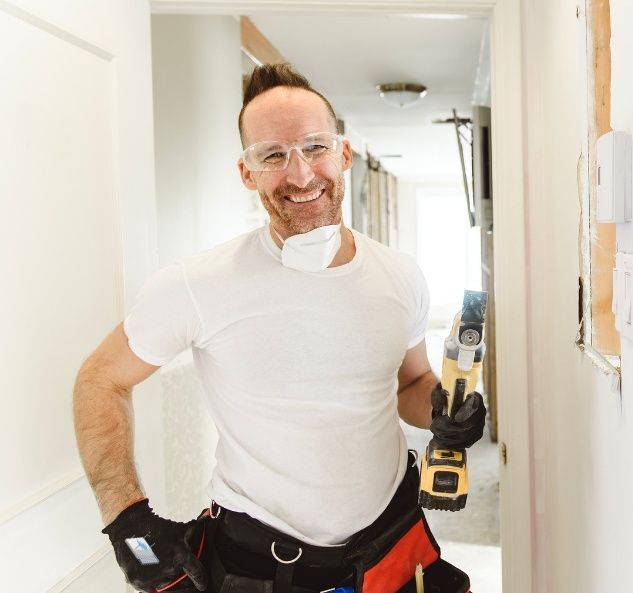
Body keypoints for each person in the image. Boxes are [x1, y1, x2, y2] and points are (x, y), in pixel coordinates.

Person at [73, 63, 486, 593]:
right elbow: (99, 380)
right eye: (272, 156)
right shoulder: (197, 284)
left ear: (344, 154)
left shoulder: (398, 274)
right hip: (261, 564)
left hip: (392, 548)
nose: (300, 175)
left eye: (315, 147)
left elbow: (409, 384)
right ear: (247, 173)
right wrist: (126, 521)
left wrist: (442, 411)